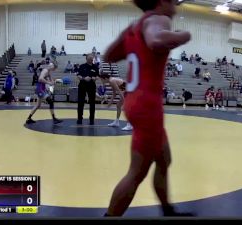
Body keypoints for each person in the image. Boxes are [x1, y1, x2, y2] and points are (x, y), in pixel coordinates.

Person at [103, 0, 193, 217]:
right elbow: (155, 41)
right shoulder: (159, 19)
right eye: (173, 1)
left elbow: (109, 56)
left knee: (164, 159)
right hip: (148, 107)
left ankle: (167, 209)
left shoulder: (135, 27)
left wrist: (129, 38)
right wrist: (184, 36)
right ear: (162, 2)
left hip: (134, 102)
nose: (176, 6)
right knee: (136, 173)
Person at [77, 54, 98, 125]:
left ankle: (91, 119)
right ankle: (80, 118)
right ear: (86, 59)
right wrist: (84, 78)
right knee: (80, 102)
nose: (91, 60)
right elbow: (79, 76)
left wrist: (94, 78)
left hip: (92, 86)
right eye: (90, 59)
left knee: (92, 103)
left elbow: (97, 76)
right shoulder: (82, 66)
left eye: (92, 59)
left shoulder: (95, 66)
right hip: (82, 85)